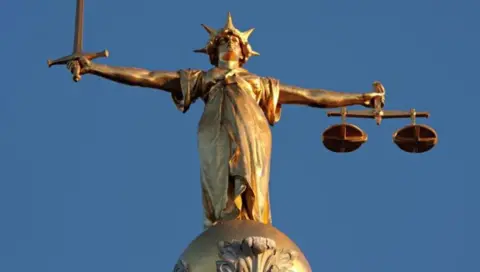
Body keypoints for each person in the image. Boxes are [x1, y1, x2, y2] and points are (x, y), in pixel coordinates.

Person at [66, 13, 384, 229]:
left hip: (253, 132)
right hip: (214, 131)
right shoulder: (203, 79)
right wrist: (96, 69)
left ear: (244, 52)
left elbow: (311, 95)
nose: (229, 44)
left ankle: (251, 227)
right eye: (223, 41)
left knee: (253, 183)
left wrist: (358, 98)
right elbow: (149, 77)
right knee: (218, 183)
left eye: (234, 42)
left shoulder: (259, 84)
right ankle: (224, 227)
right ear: (212, 50)